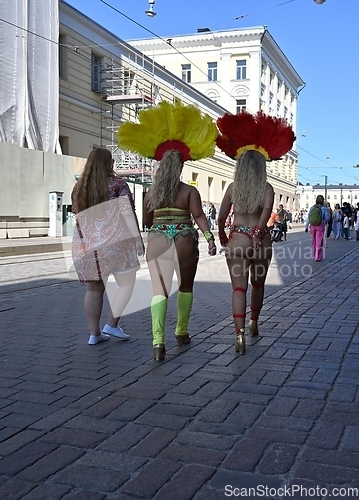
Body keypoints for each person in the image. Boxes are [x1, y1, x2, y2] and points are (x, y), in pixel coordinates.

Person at [117, 100, 218, 361]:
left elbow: (147, 220)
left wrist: (158, 227)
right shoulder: (190, 191)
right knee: (185, 286)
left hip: (159, 239)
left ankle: (157, 342)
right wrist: (209, 238)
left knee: (158, 291)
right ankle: (182, 332)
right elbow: (198, 216)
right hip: (185, 238)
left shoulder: (151, 192)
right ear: (182, 166)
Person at [216, 110, 295, 354]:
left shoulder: (232, 187)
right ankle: (253, 323)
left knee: (238, 288)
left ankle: (238, 335)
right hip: (260, 241)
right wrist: (259, 230)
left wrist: (222, 235)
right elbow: (268, 209)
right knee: (258, 285)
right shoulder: (268, 187)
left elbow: (220, 217)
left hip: (237, 238)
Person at [71, 147, 144, 345]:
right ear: (109, 163)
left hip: (86, 245)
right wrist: (137, 239)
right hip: (115, 243)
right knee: (126, 284)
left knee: (94, 290)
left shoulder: (79, 187)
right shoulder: (118, 184)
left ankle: (94, 334)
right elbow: (127, 212)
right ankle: (111, 324)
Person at [305, 194, 330, 261]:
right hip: (320, 225)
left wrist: (306, 226)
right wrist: (324, 221)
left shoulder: (312, 207)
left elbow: (309, 217)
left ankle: (314, 254)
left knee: (314, 240)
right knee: (319, 241)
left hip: (312, 226)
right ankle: (317, 256)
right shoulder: (324, 208)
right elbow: (327, 218)